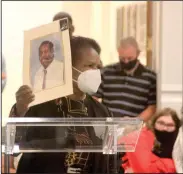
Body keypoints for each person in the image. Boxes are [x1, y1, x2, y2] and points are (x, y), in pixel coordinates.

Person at [8, 36, 113, 174]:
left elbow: (110, 163)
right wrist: (20, 110)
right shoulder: (39, 105)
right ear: (69, 67)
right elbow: (12, 145)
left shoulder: (101, 111)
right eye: (89, 66)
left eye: (98, 67)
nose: (96, 72)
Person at [95, 36, 156, 121]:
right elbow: (93, 98)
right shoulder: (106, 72)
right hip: (108, 123)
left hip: (134, 127)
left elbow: (152, 107)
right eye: (122, 58)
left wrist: (135, 122)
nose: (126, 61)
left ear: (138, 54)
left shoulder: (150, 76)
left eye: (130, 58)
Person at [120, 108, 181, 173]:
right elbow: (144, 170)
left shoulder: (178, 140)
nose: (164, 128)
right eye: (161, 123)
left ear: (176, 127)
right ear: (154, 122)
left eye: (170, 125)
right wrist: (172, 164)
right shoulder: (142, 136)